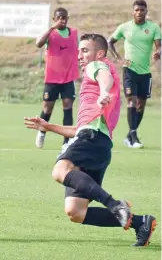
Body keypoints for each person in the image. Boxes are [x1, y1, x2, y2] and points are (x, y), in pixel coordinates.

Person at [24, 33, 156, 247]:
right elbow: (79, 129)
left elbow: (105, 77)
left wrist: (104, 92)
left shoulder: (97, 66)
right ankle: (141, 223)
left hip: (92, 137)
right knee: (75, 211)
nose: (80, 55)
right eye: (79, 50)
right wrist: (48, 126)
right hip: (97, 142)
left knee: (59, 170)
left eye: (84, 50)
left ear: (100, 53)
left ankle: (114, 205)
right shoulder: (94, 91)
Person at [108, 0, 161, 148]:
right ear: (133, 12)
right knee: (131, 100)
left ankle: (130, 135)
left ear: (146, 11)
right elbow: (109, 42)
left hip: (145, 73)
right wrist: (118, 59)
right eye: (136, 10)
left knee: (141, 105)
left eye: (142, 10)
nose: (139, 12)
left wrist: (158, 52)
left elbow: (159, 46)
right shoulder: (125, 27)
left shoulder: (154, 27)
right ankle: (133, 136)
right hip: (129, 71)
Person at [35, 7, 79, 152]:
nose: (62, 20)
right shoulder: (50, 34)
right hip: (52, 77)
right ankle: (42, 131)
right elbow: (38, 44)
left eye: (64, 17)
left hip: (68, 77)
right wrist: (50, 29)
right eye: (59, 18)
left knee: (68, 106)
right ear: (54, 19)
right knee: (48, 107)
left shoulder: (73, 33)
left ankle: (67, 141)